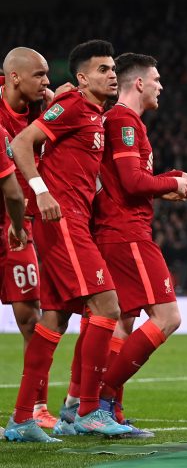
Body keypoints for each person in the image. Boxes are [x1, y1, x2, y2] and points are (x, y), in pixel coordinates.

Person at [4, 40, 132, 442]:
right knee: (107, 306)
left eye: (114, 69)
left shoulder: (91, 113)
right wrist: (41, 191)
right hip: (62, 221)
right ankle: (88, 409)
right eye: (103, 70)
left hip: (70, 220)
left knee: (54, 319)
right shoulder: (75, 106)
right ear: (82, 78)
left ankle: (23, 419)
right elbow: (21, 143)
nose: (112, 74)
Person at [89, 52, 187, 435]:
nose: (161, 86)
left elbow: (136, 178)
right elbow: (132, 183)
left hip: (116, 232)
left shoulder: (124, 122)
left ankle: (107, 409)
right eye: (156, 79)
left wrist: (175, 176)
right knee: (168, 317)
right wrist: (173, 183)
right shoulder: (125, 121)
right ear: (138, 83)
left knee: (123, 325)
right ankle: (101, 401)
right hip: (127, 234)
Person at [0, 48, 59, 429]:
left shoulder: (42, 113)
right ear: (15, 77)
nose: (46, 82)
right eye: (39, 75)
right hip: (15, 221)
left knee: (30, 318)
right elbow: (12, 191)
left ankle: (37, 406)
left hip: (19, 227)